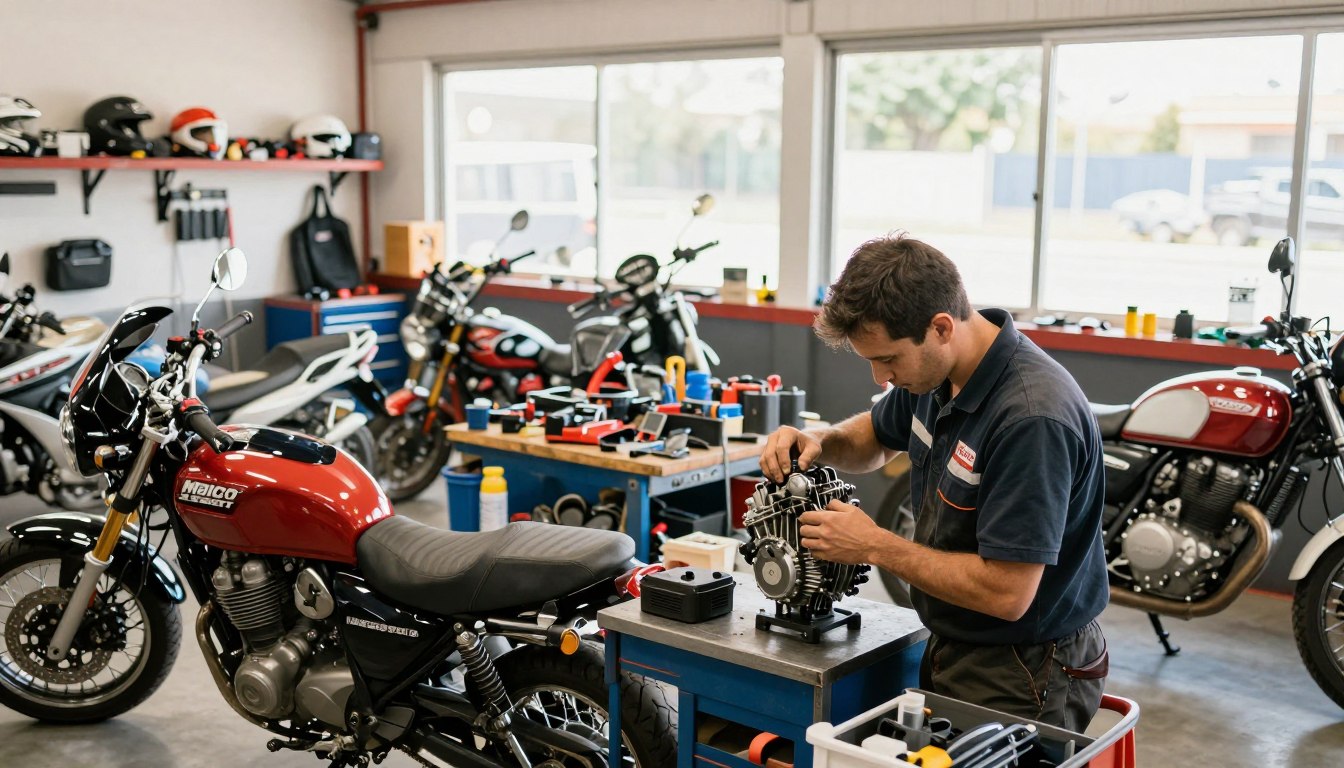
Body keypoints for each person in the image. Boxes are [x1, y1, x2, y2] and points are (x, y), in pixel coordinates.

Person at [761, 234, 1109, 732]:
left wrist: (874, 545)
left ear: (941, 327)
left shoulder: (1031, 418)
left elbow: (1007, 593)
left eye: (888, 359)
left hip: (1023, 668)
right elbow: (876, 437)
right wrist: (820, 439)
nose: (880, 377)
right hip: (955, 639)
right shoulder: (936, 374)